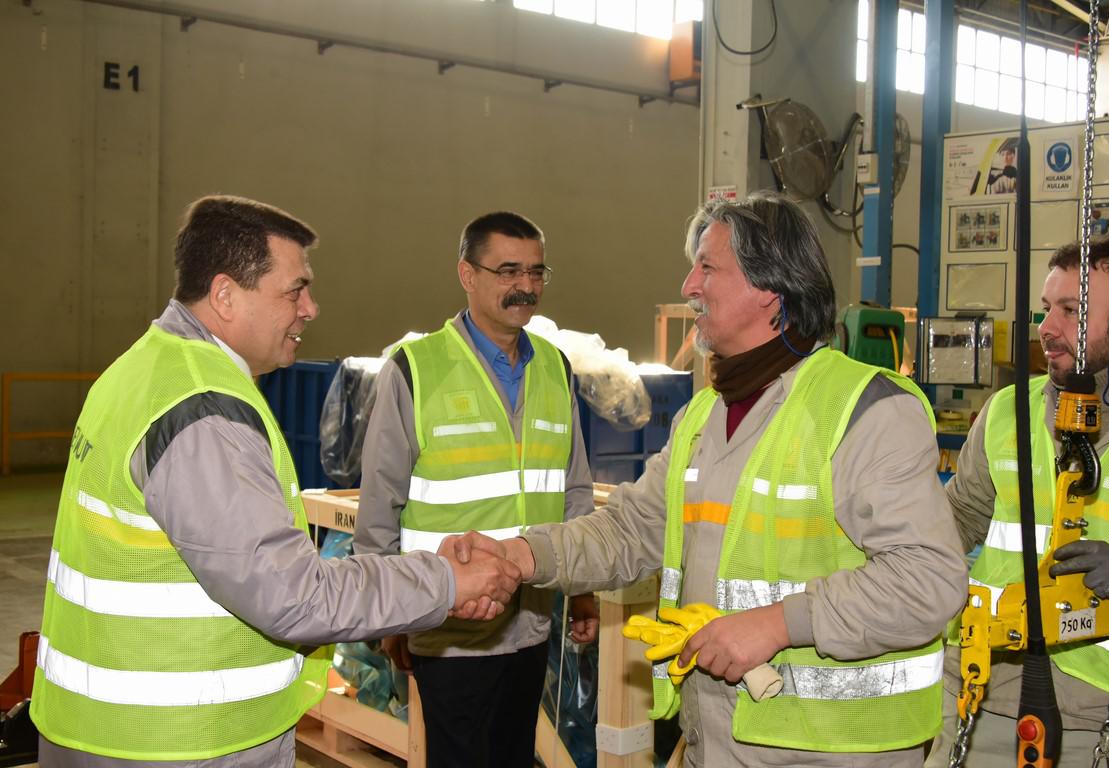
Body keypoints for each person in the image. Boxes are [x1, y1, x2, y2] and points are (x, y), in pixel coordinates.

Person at [451, 193, 969, 767]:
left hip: (834, 752)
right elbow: (630, 529)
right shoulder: (704, 415)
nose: (688, 286)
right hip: (715, 741)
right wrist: (520, 555)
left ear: (769, 286)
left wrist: (777, 625)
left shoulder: (865, 411)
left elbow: (928, 579)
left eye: (707, 267)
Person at [30, 196, 521, 768]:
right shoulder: (203, 412)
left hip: (109, 729)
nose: (311, 308)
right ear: (225, 295)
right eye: (295, 290)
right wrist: (445, 581)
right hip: (180, 741)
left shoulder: (146, 369)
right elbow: (293, 596)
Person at [355, 211, 599, 768]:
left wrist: (582, 586)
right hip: (448, 625)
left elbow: (575, 489)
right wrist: (387, 613)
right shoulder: (416, 370)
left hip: (530, 622)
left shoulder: (555, 369)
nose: (525, 286)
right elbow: (380, 502)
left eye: (536, 272)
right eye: (508, 271)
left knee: (513, 756)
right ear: (467, 274)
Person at [928, 238, 1109, 766]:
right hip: (980, 691)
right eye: (1046, 309)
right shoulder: (1009, 411)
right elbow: (952, 523)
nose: (1047, 328)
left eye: (1071, 311)